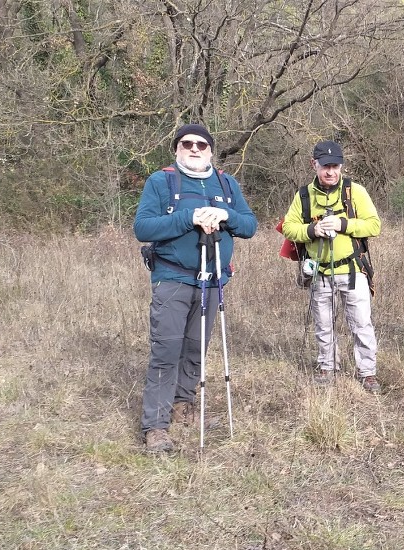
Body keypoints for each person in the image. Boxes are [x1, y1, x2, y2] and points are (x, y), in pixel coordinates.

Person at [134, 124, 258, 453]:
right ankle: (156, 426)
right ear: (176, 149)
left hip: (213, 279)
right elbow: (143, 227)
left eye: (201, 145)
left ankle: (183, 405)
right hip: (172, 279)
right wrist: (188, 218)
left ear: (210, 151)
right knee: (166, 350)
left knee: (195, 348)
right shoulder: (161, 181)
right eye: (186, 143)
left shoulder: (226, 183)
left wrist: (226, 215)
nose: (194, 149)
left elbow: (249, 225)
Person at [281, 140, 382, 392]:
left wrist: (343, 224)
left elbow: (374, 225)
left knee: (361, 323)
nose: (330, 172)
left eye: (335, 166)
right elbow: (288, 227)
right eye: (325, 166)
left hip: (352, 269)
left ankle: (367, 373)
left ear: (341, 166)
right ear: (313, 164)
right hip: (319, 271)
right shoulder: (303, 195)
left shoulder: (354, 191)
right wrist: (312, 230)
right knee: (323, 323)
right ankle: (327, 367)